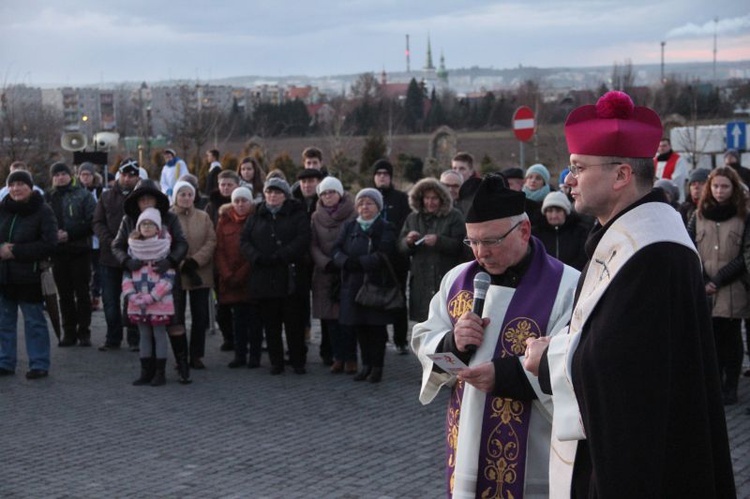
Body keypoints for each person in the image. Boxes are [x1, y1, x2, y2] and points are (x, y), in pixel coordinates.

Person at [523, 90, 736, 497]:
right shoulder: (624, 235)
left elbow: (624, 370)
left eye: (578, 168)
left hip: (644, 464)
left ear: (621, 175)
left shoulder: (655, 251)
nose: (567, 180)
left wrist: (549, 358)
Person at [411, 174, 579, 497]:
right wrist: (452, 344)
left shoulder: (566, 286)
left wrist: (505, 376)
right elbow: (424, 337)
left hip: (534, 451)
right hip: (466, 439)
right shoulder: (457, 280)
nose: (479, 253)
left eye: (490, 241)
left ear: (524, 231)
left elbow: (572, 360)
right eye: (471, 241)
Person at [113, 179, 191, 384]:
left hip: (166, 279)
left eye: (150, 198)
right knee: (144, 328)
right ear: (137, 202)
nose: (146, 202)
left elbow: (182, 243)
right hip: (139, 280)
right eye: (142, 199)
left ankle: (183, 365)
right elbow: (117, 246)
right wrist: (127, 261)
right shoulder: (128, 220)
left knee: (175, 324)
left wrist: (171, 261)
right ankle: (148, 370)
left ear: (157, 200)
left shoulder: (170, 218)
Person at [688, 166, 750, 406]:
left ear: (733, 188)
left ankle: (730, 387)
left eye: (725, 186)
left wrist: (718, 279)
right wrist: (703, 279)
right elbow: (689, 246)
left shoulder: (743, 216)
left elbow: (744, 256)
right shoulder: (698, 215)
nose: (719, 191)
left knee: (731, 341)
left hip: (732, 287)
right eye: (715, 186)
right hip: (704, 289)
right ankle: (715, 384)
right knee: (709, 341)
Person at [240, 177, 311, 375]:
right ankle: (276, 362)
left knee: (293, 323)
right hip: (263, 276)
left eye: (277, 192)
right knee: (271, 324)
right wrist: (257, 257)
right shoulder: (256, 215)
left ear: (285, 195)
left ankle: (298, 361)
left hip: (289, 276)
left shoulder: (297, 214)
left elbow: (303, 238)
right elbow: (244, 240)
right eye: (269, 192)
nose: (272, 196)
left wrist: (282, 255)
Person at [332, 188, 398, 383]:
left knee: (376, 329)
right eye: (360, 203)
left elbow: (384, 253)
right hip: (352, 285)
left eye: (369, 203)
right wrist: (344, 261)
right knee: (359, 327)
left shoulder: (386, 227)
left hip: (375, 286)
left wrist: (360, 263)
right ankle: (365, 365)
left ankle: (377, 367)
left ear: (378, 206)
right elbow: (336, 249)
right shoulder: (349, 226)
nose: (364, 207)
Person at [0, 170, 58, 379]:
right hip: (4, 276)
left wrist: (15, 251)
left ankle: (39, 363)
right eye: (12, 184)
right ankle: (5, 361)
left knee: (34, 322)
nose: (16, 188)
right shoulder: (2, 209)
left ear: (30, 187)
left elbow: (50, 244)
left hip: (30, 277)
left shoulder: (43, 211)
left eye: (21, 184)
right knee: (4, 322)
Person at [399, 178, 466, 323]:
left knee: (447, 319)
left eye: (434, 198)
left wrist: (439, 241)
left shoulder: (454, 216)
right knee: (423, 321)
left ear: (441, 198)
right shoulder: (413, 218)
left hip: (446, 275)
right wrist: (408, 242)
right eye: (427, 198)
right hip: (421, 279)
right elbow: (401, 247)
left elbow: (462, 245)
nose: (430, 202)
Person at [122, 207, 176, 387]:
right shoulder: (132, 249)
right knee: (143, 334)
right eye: (143, 224)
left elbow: (169, 278)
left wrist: (153, 296)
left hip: (159, 301)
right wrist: (131, 295)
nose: (146, 227)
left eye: (150, 224)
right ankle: (146, 371)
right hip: (137, 300)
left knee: (159, 334)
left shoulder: (164, 249)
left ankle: (160, 372)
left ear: (158, 228)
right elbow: (127, 275)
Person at [45, 162, 97, 347]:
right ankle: (68, 332)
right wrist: (53, 236)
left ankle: (84, 332)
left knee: (82, 293)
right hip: (58, 253)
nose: (60, 177)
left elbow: (93, 222)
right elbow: (42, 223)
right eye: (56, 174)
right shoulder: (47, 197)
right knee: (64, 295)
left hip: (80, 250)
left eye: (63, 173)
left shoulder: (83, 195)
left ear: (70, 175)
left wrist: (71, 234)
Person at [93, 158, 141, 352]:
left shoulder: (143, 197)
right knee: (110, 300)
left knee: (133, 300)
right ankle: (113, 338)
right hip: (109, 256)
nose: (127, 178)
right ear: (119, 174)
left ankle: (134, 338)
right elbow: (97, 222)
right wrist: (110, 242)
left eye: (132, 175)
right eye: (124, 174)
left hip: (134, 256)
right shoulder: (106, 197)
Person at [310, 177, 357, 374]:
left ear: (339, 193)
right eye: (324, 193)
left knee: (348, 319)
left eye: (332, 192)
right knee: (329, 321)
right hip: (324, 272)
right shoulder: (315, 216)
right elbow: (312, 243)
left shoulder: (352, 213)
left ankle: (351, 358)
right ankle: (337, 357)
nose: (328, 196)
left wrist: (342, 259)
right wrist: (324, 262)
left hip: (346, 271)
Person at [171, 180, 216, 370]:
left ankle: (196, 354)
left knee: (200, 316)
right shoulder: (169, 217)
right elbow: (166, 243)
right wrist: (181, 262)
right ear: (175, 197)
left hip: (200, 271)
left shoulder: (203, 216)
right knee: (177, 316)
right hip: (176, 273)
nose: (187, 198)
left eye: (190, 194)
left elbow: (211, 240)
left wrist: (195, 261)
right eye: (182, 194)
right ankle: (180, 355)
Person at [215, 187, 262, 368]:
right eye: (237, 201)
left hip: (251, 277)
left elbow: (257, 249)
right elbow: (219, 250)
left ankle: (254, 356)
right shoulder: (224, 221)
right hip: (230, 279)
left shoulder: (256, 220)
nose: (241, 204)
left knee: (255, 320)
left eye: (244, 201)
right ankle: (239, 355)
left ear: (250, 203)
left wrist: (242, 273)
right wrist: (226, 273)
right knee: (238, 320)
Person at [372, 159, 411, 354]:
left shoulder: (401, 199)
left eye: (385, 174)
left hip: (397, 259)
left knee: (398, 299)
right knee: (376, 297)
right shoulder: (368, 198)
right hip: (376, 258)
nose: (381, 177)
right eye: (378, 174)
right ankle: (380, 337)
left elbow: (406, 225)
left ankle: (400, 339)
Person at [205, 169, 241, 352]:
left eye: (229, 184)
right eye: (223, 184)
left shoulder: (241, 203)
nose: (226, 188)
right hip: (219, 260)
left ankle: (243, 337)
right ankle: (228, 337)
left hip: (240, 260)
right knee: (222, 303)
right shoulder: (211, 206)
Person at [532, 191, 588, 271]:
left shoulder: (580, 231)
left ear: (565, 212)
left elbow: (583, 258)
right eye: (550, 211)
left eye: (558, 211)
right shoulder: (535, 233)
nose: (554, 215)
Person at [77, 162, 103, 310]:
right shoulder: (76, 192)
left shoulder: (101, 191)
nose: (85, 177)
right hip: (83, 236)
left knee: (97, 269)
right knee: (84, 269)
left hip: (97, 238)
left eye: (88, 174)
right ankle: (85, 295)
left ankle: (96, 295)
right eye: (83, 175)